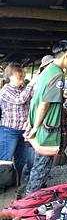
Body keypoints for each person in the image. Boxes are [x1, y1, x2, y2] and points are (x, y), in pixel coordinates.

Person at [25, 41, 67, 195]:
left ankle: (31, 197)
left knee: (38, 166)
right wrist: (35, 127)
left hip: (40, 124)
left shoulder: (46, 71)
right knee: (41, 169)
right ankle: (31, 202)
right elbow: (44, 104)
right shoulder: (57, 75)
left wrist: (32, 123)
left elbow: (36, 100)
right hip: (46, 128)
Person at [0, 64, 36, 197]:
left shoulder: (23, 89)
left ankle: (19, 184)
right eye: (18, 74)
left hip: (23, 130)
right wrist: (32, 84)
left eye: (22, 74)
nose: (22, 76)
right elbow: (20, 100)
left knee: (22, 160)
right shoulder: (5, 90)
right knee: (5, 160)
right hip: (8, 130)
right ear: (10, 76)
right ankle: (3, 186)